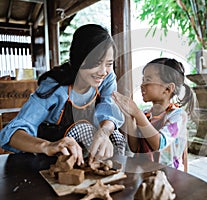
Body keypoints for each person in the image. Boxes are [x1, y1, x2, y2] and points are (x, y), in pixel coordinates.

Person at [0, 24, 125, 166]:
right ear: (78, 58)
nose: (103, 71)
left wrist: (104, 131)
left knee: (114, 135)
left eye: (109, 63)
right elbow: (11, 133)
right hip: (52, 162)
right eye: (96, 63)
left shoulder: (106, 78)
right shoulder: (54, 88)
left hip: (86, 160)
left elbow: (109, 109)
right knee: (83, 129)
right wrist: (47, 146)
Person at [112, 58, 195, 170]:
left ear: (168, 89)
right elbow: (134, 148)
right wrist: (129, 116)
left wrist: (136, 113)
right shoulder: (146, 114)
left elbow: (158, 144)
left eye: (148, 80)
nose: (142, 85)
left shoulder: (178, 116)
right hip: (146, 172)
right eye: (143, 80)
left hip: (170, 176)